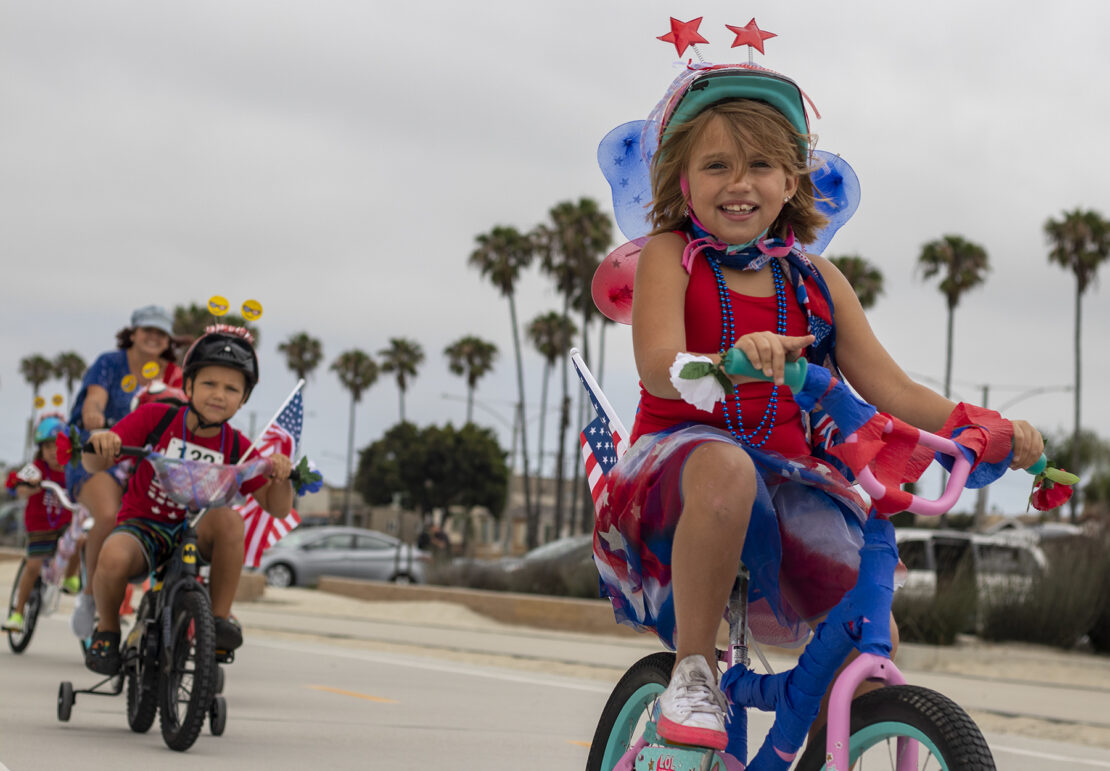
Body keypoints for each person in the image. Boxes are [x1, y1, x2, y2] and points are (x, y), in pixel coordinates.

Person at [591, 61, 1045, 750]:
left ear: (792, 180)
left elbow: (892, 390)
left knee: (869, 639)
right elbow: (658, 367)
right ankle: (692, 669)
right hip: (678, 473)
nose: (739, 183)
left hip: (790, 478)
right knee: (728, 469)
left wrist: (983, 428)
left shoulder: (815, 281)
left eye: (761, 164)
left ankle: (848, 734)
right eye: (716, 165)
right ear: (682, 180)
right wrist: (722, 363)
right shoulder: (671, 255)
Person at [80, 325, 294, 675]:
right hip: (144, 527)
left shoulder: (238, 446)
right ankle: (106, 629)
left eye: (231, 389)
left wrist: (282, 478)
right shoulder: (156, 417)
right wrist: (101, 444)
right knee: (113, 554)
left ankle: (220, 620)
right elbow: (94, 463)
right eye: (209, 383)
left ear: (243, 400)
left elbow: (278, 507)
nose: (218, 395)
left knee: (229, 519)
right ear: (189, 386)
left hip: (196, 531)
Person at [67, 304, 183, 639]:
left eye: (160, 332)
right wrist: (95, 420)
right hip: (103, 452)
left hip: (149, 459)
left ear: (167, 340)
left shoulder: (174, 373)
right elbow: (93, 403)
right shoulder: (110, 363)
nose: (153, 336)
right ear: (132, 332)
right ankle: (90, 598)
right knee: (109, 515)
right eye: (147, 329)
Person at [3, 417, 80, 632]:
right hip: (39, 525)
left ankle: (72, 577)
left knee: (81, 538)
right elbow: (17, 487)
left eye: (59, 447)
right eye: (48, 447)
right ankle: (17, 613)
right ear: (41, 450)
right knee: (33, 566)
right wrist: (28, 487)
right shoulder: (36, 469)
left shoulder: (73, 470)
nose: (54, 452)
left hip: (64, 523)